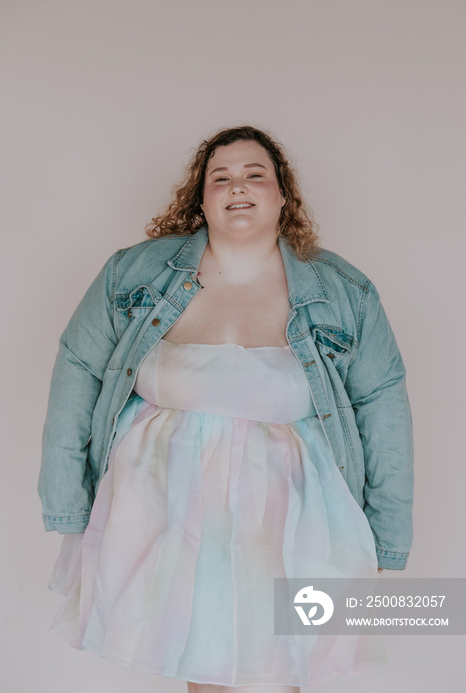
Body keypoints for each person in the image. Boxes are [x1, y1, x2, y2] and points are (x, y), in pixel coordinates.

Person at [38, 126, 414, 693]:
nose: (238, 187)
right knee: (203, 665)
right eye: (222, 177)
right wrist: (69, 498)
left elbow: (383, 404)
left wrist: (386, 534)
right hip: (163, 501)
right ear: (203, 198)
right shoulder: (134, 273)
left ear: (283, 195)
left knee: (287, 667)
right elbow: (78, 372)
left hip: (297, 509)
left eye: (254, 174)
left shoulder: (345, 290)